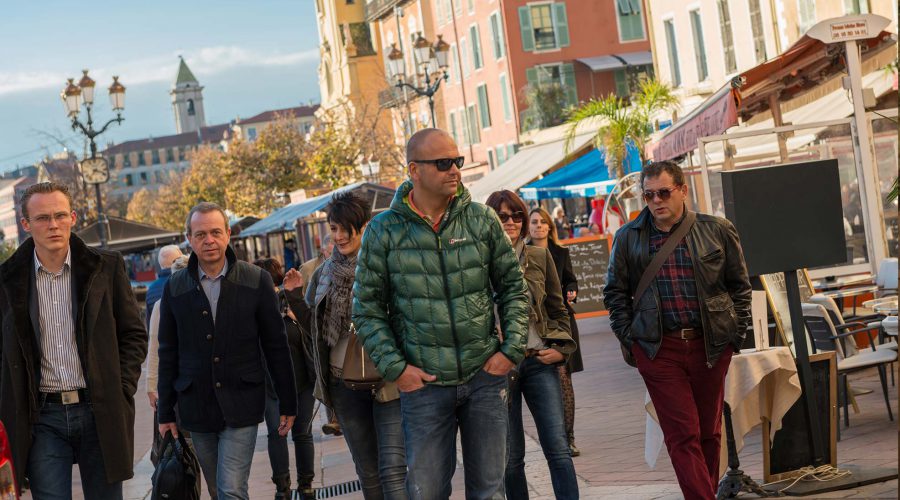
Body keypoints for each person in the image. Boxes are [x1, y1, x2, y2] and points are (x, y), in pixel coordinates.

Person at [352, 128, 529, 499]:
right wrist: (396, 369)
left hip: (485, 377)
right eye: (444, 163)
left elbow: (514, 288)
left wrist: (510, 350)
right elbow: (366, 310)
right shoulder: (383, 231)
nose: (455, 171)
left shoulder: (481, 220)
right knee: (427, 491)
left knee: (490, 491)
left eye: (458, 161)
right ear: (414, 170)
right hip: (424, 384)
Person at [604, 161, 752, 500]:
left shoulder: (717, 229)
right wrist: (633, 340)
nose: (657, 201)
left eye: (664, 193)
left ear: (683, 190)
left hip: (710, 346)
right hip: (659, 350)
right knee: (682, 434)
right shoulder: (629, 238)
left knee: (708, 434)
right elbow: (615, 293)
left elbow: (739, 287)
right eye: (649, 195)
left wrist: (733, 336)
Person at [0, 181, 148, 498]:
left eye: (59, 215)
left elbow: (133, 334)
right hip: (42, 418)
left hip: (100, 410)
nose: (53, 225)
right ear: (25, 224)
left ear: (73, 217)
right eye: (42, 218)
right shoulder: (7, 280)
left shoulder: (106, 268)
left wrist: (121, 387)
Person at [157, 202, 297, 500]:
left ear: (228, 234)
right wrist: (165, 412)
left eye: (215, 232)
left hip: (242, 400)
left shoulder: (255, 279)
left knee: (231, 489)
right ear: (189, 239)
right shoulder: (175, 287)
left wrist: (288, 402)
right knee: (217, 490)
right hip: (197, 405)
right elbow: (167, 352)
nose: (209, 240)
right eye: (201, 234)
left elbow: (276, 345)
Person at [284, 192, 407, 500]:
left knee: (393, 469)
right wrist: (296, 298)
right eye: (333, 228)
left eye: (344, 228)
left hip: (389, 380)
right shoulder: (324, 273)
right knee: (367, 471)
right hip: (344, 384)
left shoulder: (389, 265)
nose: (337, 236)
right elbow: (315, 327)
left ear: (364, 227)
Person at [486, 191, 578, 499]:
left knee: (558, 449)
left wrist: (561, 350)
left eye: (517, 216)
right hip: (500, 365)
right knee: (511, 459)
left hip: (539, 360)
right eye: (502, 216)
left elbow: (558, 308)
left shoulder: (538, 256)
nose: (511, 222)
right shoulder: (477, 262)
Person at [254, 258, 317, 500]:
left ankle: (306, 485)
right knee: (277, 433)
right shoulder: (253, 309)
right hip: (271, 384)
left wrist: (294, 312)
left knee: (302, 432)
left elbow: (311, 330)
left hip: (301, 379)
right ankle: (283, 487)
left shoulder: (290, 303)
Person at [528, 207, 583, 457]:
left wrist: (572, 290)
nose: (538, 226)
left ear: (550, 226)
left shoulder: (560, 252)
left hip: (560, 321)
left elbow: (570, 279)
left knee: (564, 378)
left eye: (543, 222)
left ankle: (568, 438)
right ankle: (555, 437)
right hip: (537, 325)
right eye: (534, 222)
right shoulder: (521, 253)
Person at [298, 234, 342, 437]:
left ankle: (337, 419)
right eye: (331, 248)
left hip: (340, 330)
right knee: (325, 370)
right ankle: (334, 419)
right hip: (316, 328)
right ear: (324, 250)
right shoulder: (309, 269)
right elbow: (303, 299)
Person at [145, 244, 184, 326]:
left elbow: (150, 324)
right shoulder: (187, 281)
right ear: (179, 260)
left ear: (160, 264)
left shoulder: (151, 290)